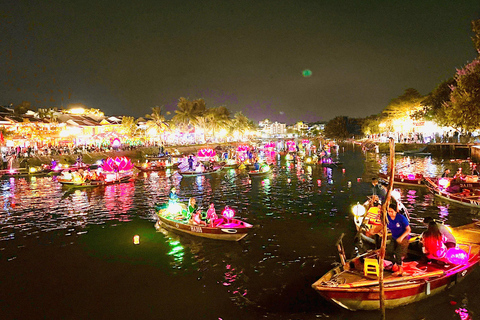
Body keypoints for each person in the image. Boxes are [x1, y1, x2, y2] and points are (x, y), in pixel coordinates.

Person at [367, 203, 410, 276]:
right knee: (389, 251)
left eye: (391, 211)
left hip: (403, 238)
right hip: (394, 237)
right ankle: (395, 264)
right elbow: (382, 225)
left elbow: (408, 230)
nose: (390, 213)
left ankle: (400, 269)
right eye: (389, 211)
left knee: (398, 253)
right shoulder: (388, 218)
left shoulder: (401, 218)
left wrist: (401, 238)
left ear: (395, 211)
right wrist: (373, 231)